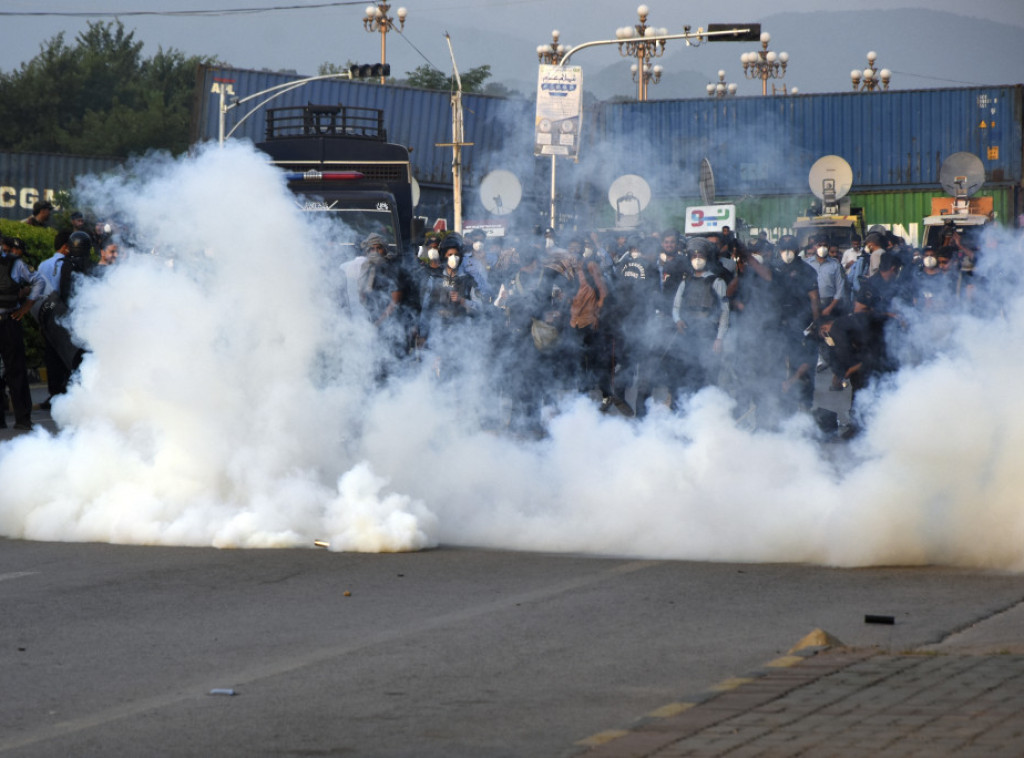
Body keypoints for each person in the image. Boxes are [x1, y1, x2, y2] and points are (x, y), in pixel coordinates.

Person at [671, 237, 730, 396]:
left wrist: (719, 338)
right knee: (690, 373)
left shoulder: (717, 281)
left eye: (701, 257)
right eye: (694, 257)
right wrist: (678, 320)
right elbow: (676, 306)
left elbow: (725, 311)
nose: (697, 260)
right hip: (689, 332)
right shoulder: (686, 281)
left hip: (708, 332)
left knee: (709, 374)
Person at [0, 236, 46, 431]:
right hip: (8, 320)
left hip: (9, 320)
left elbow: (39, 282)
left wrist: (27, 306)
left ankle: (23, 419)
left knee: (16, 370)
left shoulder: (14, 263)